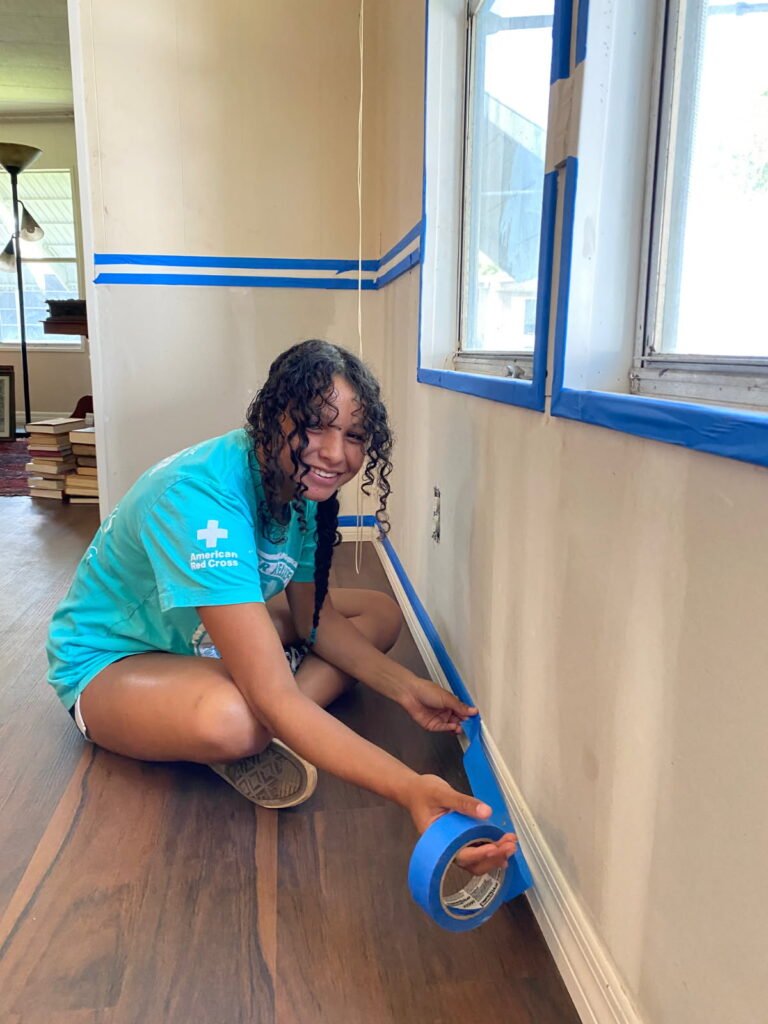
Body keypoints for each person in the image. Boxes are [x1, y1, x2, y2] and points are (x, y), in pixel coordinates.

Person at [47, 340, 516, 876]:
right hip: (112, 663)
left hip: (198, 640)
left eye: (355, 436)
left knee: (379, 615)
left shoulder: (302, 490)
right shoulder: (199, 498)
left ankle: (277, 705)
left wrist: (406, 688)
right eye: (316, 427)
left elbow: (319, 621)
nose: (336, 454)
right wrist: (410, 788)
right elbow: (276, 689)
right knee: (237, 722)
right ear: (272, 415)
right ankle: (269, 714)